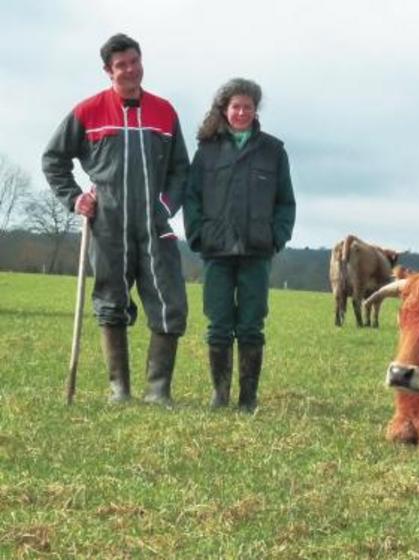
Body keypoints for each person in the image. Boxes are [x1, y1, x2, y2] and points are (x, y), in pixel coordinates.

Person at [42, 33, 189, 405]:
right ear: (108, 71)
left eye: (134, 61)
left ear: (142, 62)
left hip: (155, 226)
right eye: (120, 65)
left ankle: (158, 391)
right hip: (107, 226)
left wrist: (166, 206)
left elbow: (180, 169)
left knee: (170, 303)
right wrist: (75, 198)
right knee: (110, 302)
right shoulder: (87, 111)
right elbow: (53, 159)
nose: (129, 69)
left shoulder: (165, 111)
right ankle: (119, 390)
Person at [184, 78, 296, 413]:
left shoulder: (273, 151)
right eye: (236, 106)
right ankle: (220, 396)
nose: (242, 112)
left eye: (248, 106)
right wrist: (198, 235)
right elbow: (192, 199)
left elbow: (285, 203)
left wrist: (276, 236)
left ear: (255, 110)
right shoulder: (206, 150)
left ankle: (248, 399)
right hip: (216, 252)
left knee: (250, 326)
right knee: (218, 325)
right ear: (225, 109)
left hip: (256, 252)